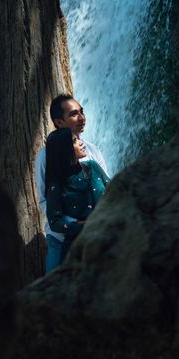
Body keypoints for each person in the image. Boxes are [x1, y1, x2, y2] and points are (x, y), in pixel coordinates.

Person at [35, 94, 108, 272]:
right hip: (60, 239)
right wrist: (73, 224)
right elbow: (45, 198)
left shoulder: (92, 152)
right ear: (59, 122)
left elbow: (109, 190)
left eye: (82, 112)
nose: (82, 118)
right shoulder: (45, 157)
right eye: (74, 114)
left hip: (95, 237)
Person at [45, 128, 109, 262]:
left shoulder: (93, 166)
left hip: (107, 239)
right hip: (78, 250)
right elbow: (55, 222)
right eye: (74, 141)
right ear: (64, 150)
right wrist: (85, 225)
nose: (81, 143)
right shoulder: (56, 184)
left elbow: (114, 189)